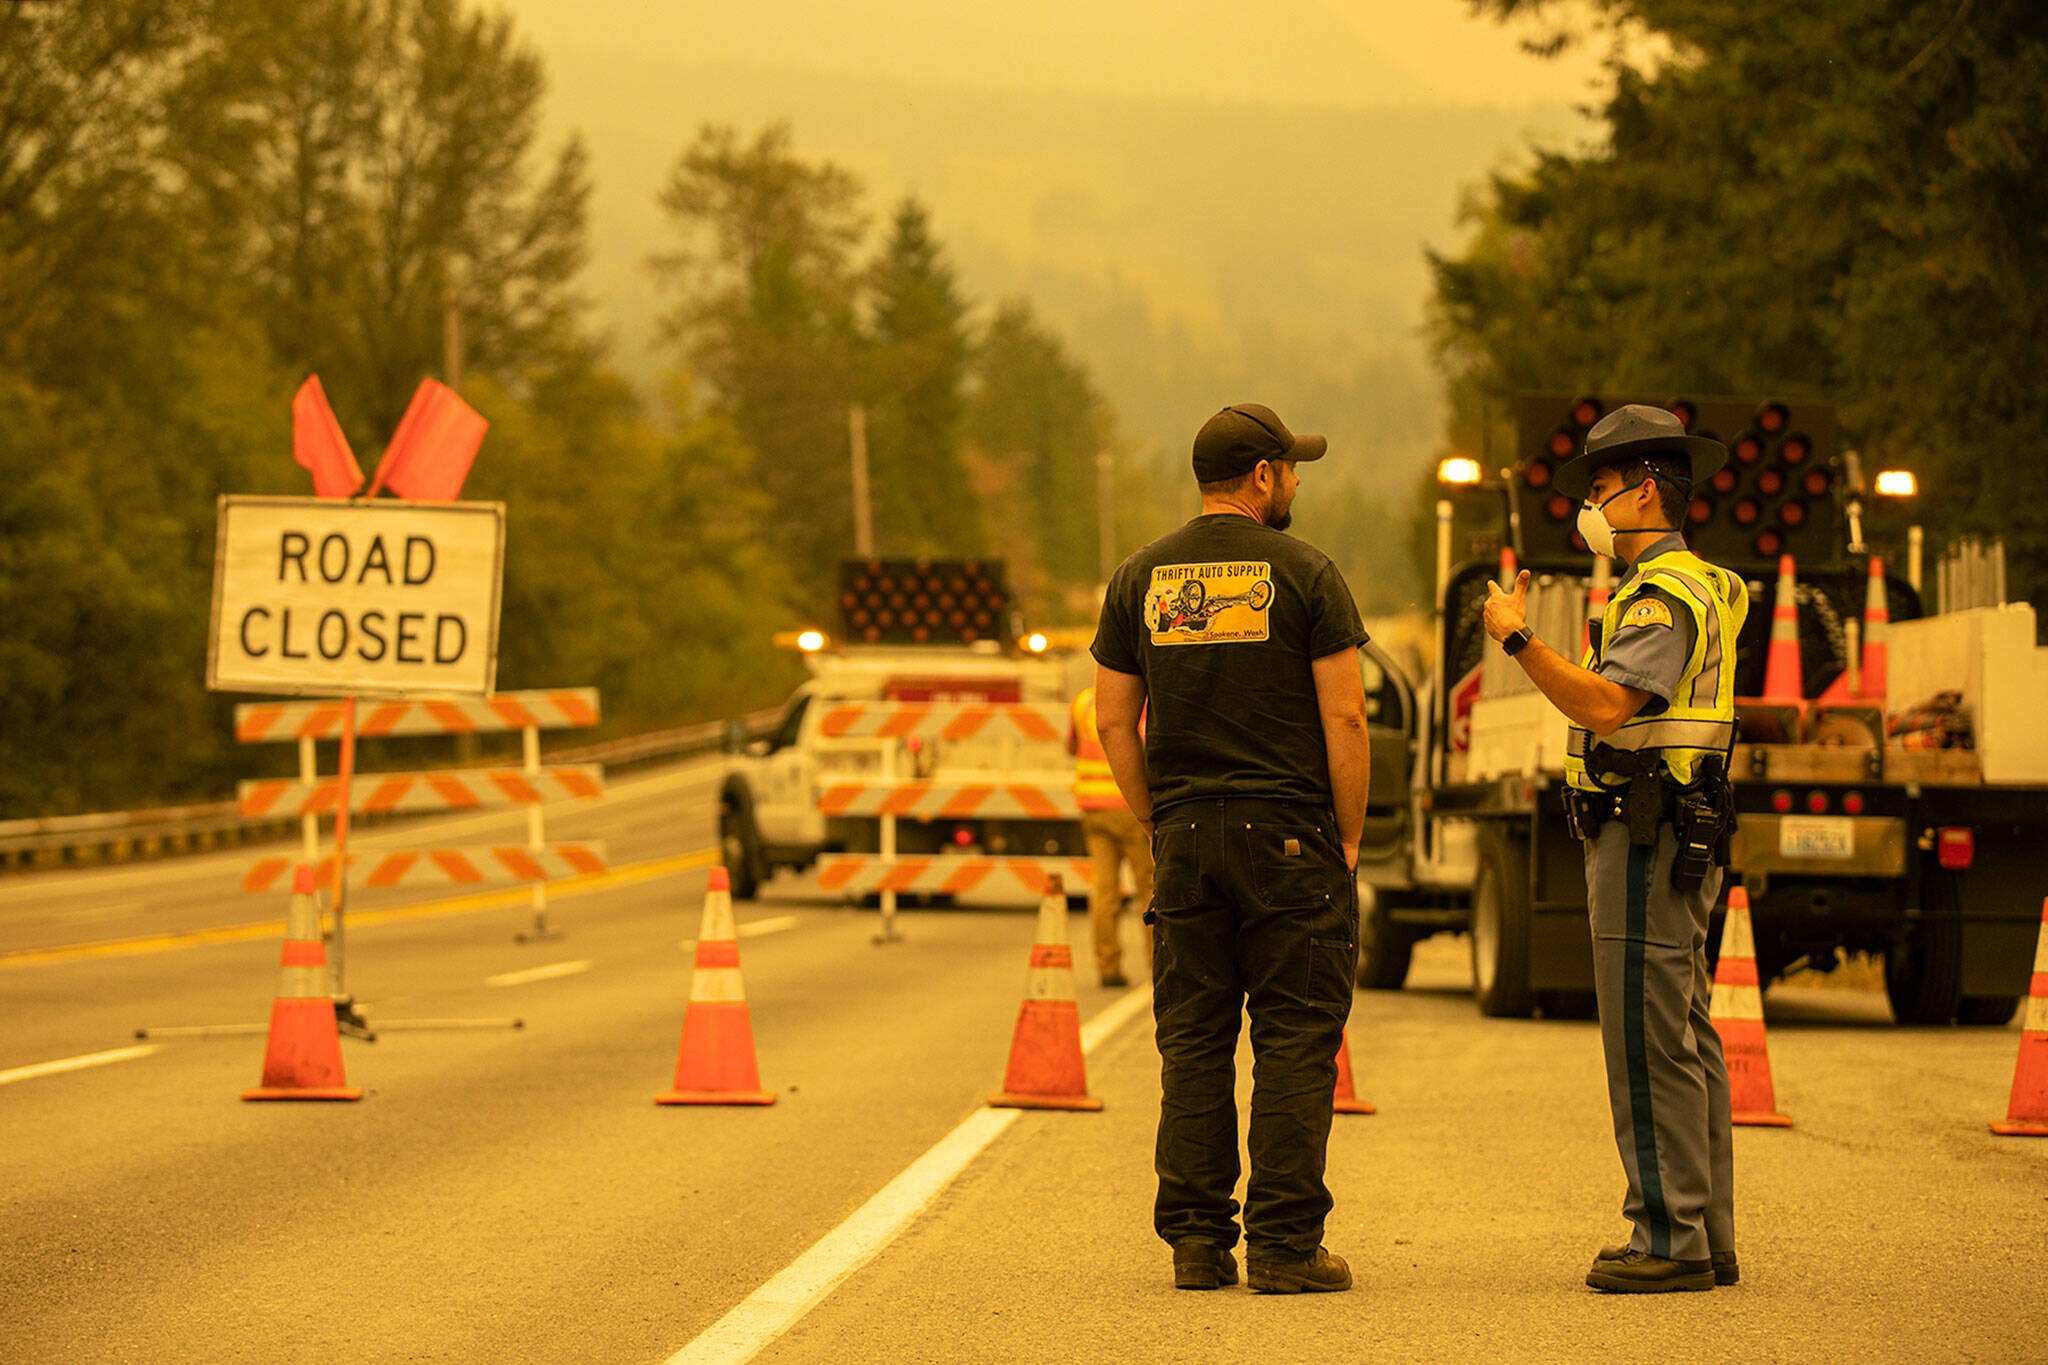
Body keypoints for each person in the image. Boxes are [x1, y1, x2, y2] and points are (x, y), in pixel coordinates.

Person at [1090, 402, 1370, 1295]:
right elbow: (1348, 716)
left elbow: (1110, 716)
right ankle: (1286, 1247)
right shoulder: (1308, 573)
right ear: (1261, 478)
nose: (1295, 483)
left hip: (1184, 837)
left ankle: (1198, 1244)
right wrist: (1350, 834)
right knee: (1294, 1035)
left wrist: (1153, 816)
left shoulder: (1139, 577)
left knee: (1194, 1040)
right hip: (1290, 835)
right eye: (1290, 469)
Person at [1481, 403, 1749, 1294]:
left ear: (1644, 488)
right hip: (1678, 826)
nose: (1587, 509)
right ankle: (1705, 1229)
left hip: (1645, 833)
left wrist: (1518, 638)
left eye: (1597, 489)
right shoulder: (1714, 583)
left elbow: (1605, 706)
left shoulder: (1660, 594)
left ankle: (1668, 1237)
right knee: (1685, 1028)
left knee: (1645, 1034)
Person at [1067, 685, 1154, 987]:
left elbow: (1071, 746)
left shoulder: (1083, 702)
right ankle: (1158, 965)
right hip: (1132, 809)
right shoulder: (1141, 702)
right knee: (1149, 890)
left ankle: (1107, 966)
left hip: (1094, 808)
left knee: (1104, 892)